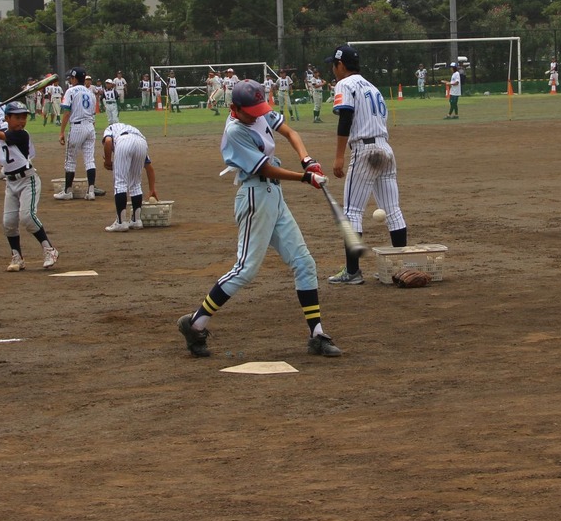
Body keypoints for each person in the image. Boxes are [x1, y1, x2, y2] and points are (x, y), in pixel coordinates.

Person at [175, 78, 341, 359]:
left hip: (273, 196)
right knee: (245, 269)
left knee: (304, 263)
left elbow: (290, 132)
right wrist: (305, 178)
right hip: (254, 196)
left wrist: (307, 159)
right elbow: (264, 169)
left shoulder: (258, 109)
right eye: (250, 112)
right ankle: (195, 323)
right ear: (235, 108)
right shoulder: (235, 131)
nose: (256, 116)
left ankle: (317, 334)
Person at [324, 45, 408, 285]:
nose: (333, 69)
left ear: (341, 65)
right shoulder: (372, 86)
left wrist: (339, 156)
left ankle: (352, 272)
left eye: (334, 65)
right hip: (385, 149)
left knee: (352, 212)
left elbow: (346, 118)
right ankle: (399, 269)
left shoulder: (344, 84)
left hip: (364, 150)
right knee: (393, 211)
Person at [0, 100, 59, 272]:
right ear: (7, 118)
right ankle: (17, 257)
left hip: (27, 181)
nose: (21, 121)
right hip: (11, 182)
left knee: (27, 217)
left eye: (24, 117)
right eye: (17, 117)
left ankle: (49, 250)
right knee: (8, 222)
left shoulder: (21, 135)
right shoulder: (5, 133)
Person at [56, 67, 105, 200]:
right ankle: (91, 191)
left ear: (74, 79)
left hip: (77, 127)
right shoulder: (91, 93)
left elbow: (66, 113)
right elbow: (93, 115)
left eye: (71, 78)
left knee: (70, 160)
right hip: (90, 127)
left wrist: (61, 132)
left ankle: (67, 191)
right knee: (89, 160)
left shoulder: (71, 91)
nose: (70, 80)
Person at [101, 121, 157, 231]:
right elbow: (149, 168)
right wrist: (152, 189)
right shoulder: (130, 131)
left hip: (124, 141)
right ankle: (136, 221)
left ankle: (121, 222)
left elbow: (108, 142)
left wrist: (107, 161)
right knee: (136, 183)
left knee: (120, 182)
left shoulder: (110, 128)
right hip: (142, 143)